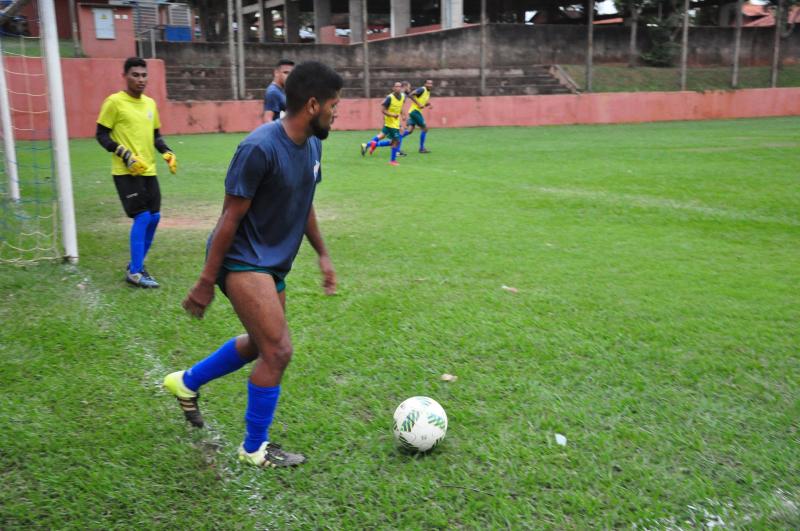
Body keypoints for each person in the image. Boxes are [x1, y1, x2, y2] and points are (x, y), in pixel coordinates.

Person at [164, 61, 342, 468]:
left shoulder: (313, 144)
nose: (337, 113)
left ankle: (186, 383)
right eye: (334, 105)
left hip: (273, 263)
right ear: (313, 104)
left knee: (260, 344)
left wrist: (323, 254)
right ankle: (254, 449)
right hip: (242, 261)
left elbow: (304, 201)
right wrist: (207, 280)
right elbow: (230, 218)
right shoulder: (258, 148)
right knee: (278, 351)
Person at [96, 57, 177, 289]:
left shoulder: (150, 104)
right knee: (141, 217)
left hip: (148, 171)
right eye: (135, 75)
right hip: (125, 171)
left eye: (144, 75)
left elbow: (155, 136)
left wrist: (167, 152)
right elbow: (101, 135)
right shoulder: (114, 102)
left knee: (154, 217)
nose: (140, 79)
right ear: (125, 76)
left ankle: (136, 264)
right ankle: (135, 271)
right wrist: (125, 154)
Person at [360, 82, 405, 166]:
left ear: (401, 88)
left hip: (394, 122)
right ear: (393, 88)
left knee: (382, 136)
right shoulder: (390, 97)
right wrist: (392, 115)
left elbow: (400, 106)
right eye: (396, 86)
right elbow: (383, 110)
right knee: (396, 141)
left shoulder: (403, 96)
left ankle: (368, 145)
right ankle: (392, 160)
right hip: (391, 123)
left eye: (400, 87)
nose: (398, 88)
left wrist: (403, 115)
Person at [404, 79, 433, 153]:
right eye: (428, 83)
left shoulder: (428, 92)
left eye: (431, 84)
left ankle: (396, 139)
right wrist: (418, 104)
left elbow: (422, 103)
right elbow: (410, 95)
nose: (429, 85)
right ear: (425, 84)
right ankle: (421, 148)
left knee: (410, 131)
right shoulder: (422, 89)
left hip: (414, 112)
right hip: (415, 112)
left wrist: (428, 104)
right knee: (425, 129)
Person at [262, 59, 295, 123]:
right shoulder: (273, 92)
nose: (289, 76)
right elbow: (267, 119)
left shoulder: (282, 90)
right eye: (285, 72)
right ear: (276, 73)